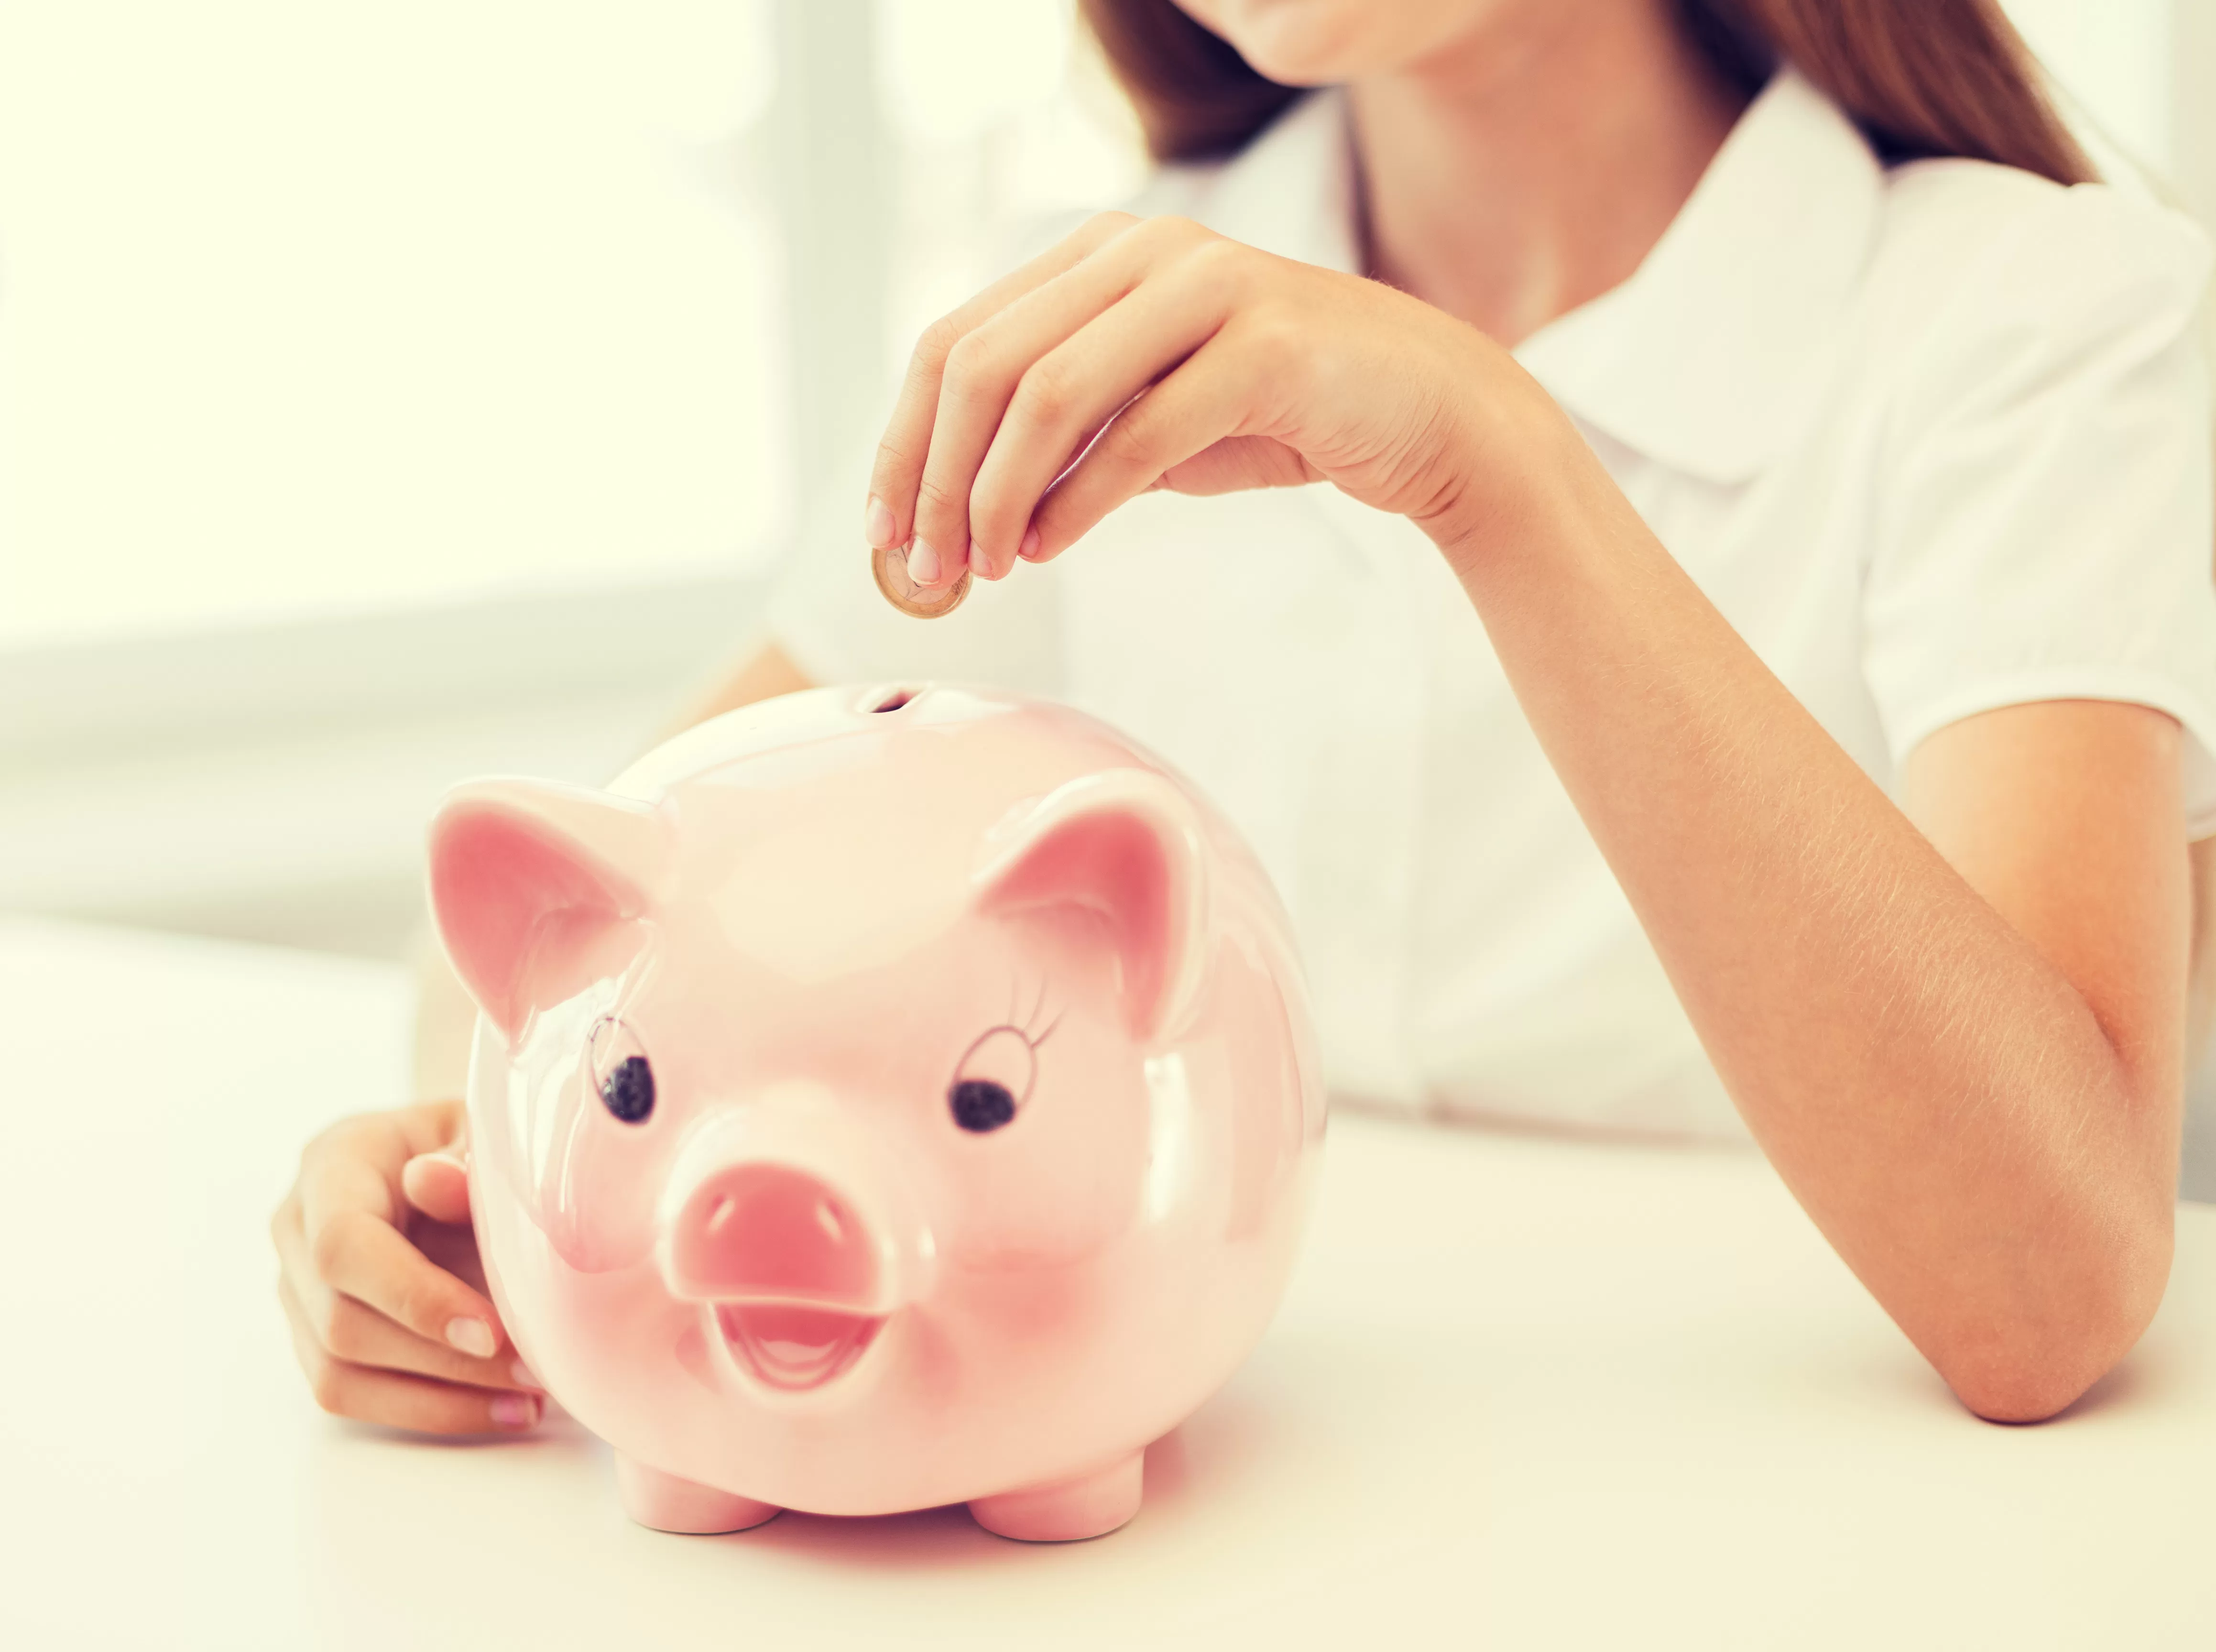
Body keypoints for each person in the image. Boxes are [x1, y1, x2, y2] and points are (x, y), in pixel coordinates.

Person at [274, 0, 2216, 1436]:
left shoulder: (2042, 320)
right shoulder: (1112, 296)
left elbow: (2050, 1291)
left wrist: (1490, 457)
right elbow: (623, 886)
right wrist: (460, 1159)